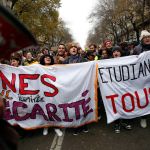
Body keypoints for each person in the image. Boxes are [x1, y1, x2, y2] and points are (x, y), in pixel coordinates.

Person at [63, 43, 88, 135]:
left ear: (77, 50)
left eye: (75, 48)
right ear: (69, 51)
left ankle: (84, 124)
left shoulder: (83, 60)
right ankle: (76, 125)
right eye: (71, 48)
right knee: (73, 106)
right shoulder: (65, 61)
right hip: (71, 87)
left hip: (82, 86)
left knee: (83, 104)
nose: (73, 49)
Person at [39, 54, 63, 136]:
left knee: (54, 109)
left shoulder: (56, 67)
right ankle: (46, 126)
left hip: (54, 92)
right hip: (42, 92)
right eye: (46, 57)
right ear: (43, 59)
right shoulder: (37, 67)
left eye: (49, 57)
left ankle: (56, 127)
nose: (48, 58)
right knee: (44, 109)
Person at [112, 46, 132, 133]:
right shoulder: (108, 62)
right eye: (114, 52)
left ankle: (126, 122)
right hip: (114, 88)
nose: (116, 53)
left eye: (118, 51)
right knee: (116, 106)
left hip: (125, 88)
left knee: (126, 105)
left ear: (121, 52)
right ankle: (117, 124)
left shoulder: (126, 60)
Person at [133, 30, 150, 128]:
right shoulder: (137, 49)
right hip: (142, 78)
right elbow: (132, 62)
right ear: (142, 39)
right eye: (145, 37)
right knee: (144, 98)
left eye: (148, 37)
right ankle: (143, 118)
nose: (147, 39)